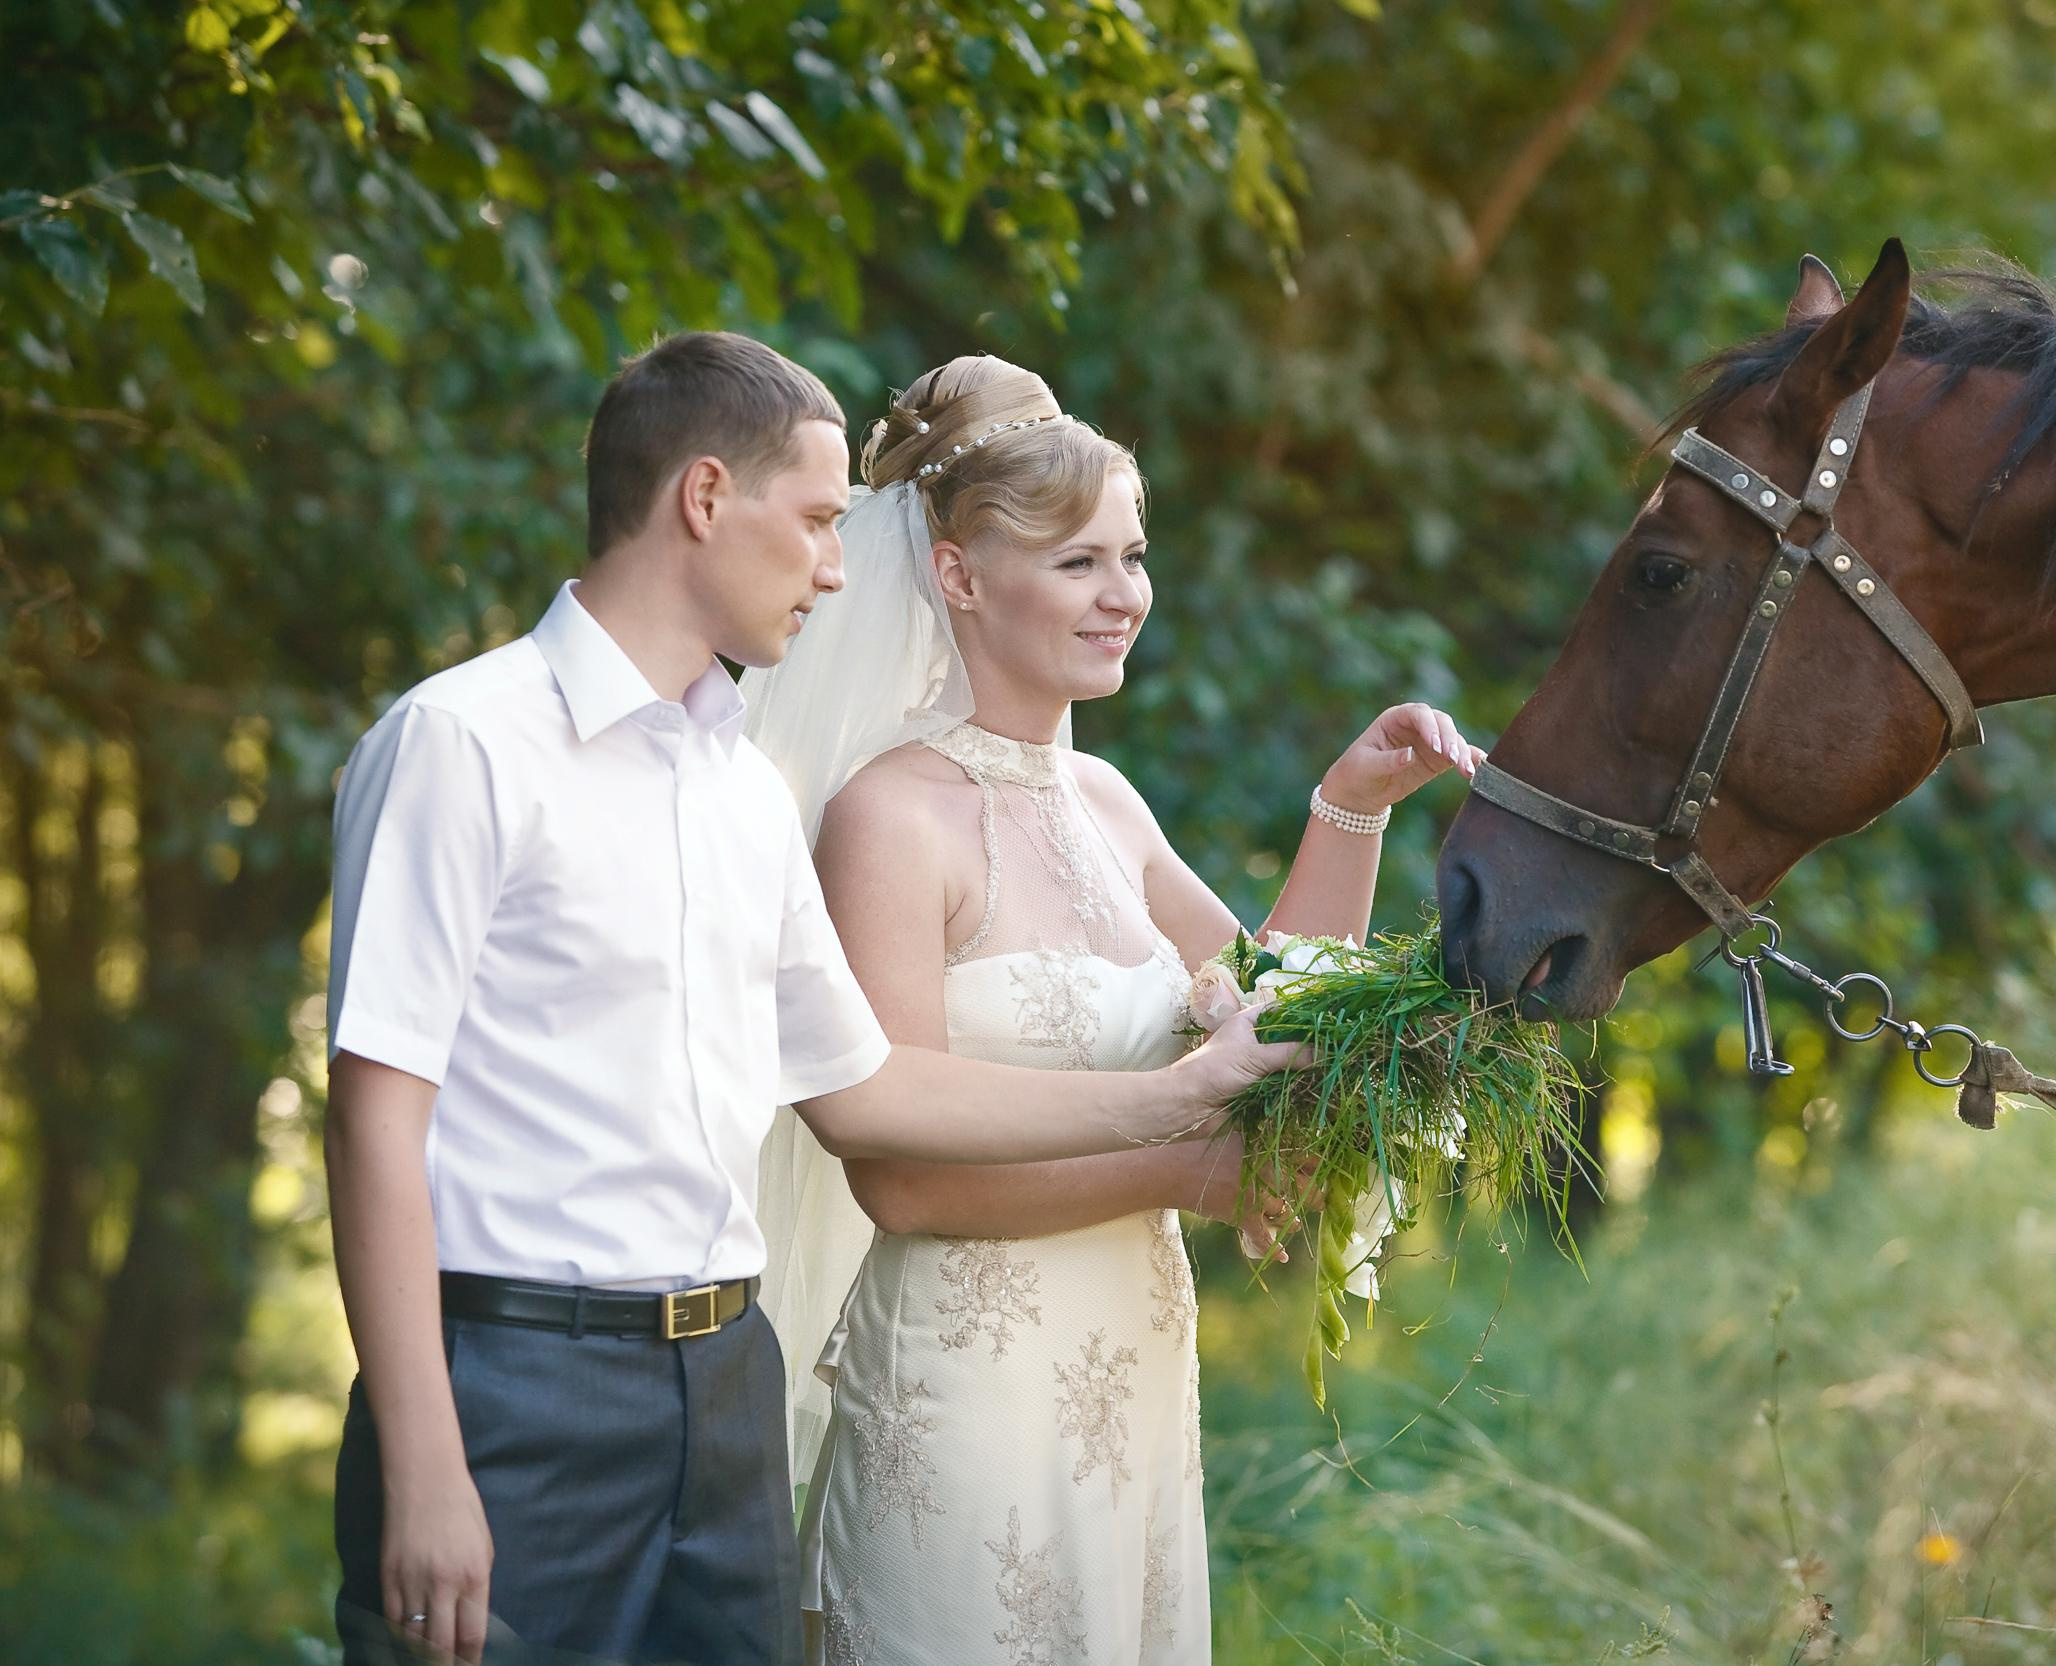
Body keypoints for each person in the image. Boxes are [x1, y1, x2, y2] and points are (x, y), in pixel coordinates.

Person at [324, 333, 1297, 1666]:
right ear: (707, 499)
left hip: (726, 1380)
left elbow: (868, 1087)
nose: (845, 568)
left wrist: (1174, 1101)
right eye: (822, 522)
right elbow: (374, 1121)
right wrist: (427, 1465)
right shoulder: (462, 742)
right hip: (511, 1381)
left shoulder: (744, 795)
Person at [746, 354, 1480, 1664]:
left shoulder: (1110, 806)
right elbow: (900, 1182)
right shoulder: (888, 820)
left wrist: (1354, 804)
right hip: (967, 1392)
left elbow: (1280, 1020)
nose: (1124, 594)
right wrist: (1190, 1168)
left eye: (1132, 556)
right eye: (1079, 560)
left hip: (1132, 1360)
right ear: (960, 573)